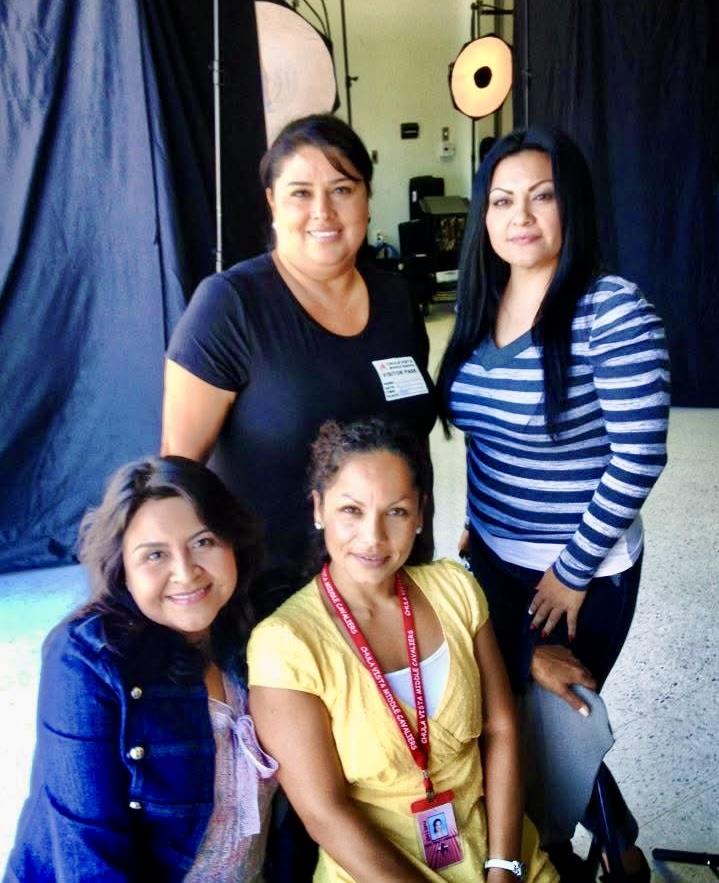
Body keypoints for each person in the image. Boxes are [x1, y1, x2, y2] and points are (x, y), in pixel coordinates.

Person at [437, 127, 670, 880]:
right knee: (506, 713)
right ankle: (616, 843)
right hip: (492, 560)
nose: (520, 216)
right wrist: (476, 526)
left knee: (549, 723)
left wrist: (569, 571)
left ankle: (570, 853)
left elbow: (639, 455)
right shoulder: (478, 308)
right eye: (501, 200)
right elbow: (484, 438)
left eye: (542, 196)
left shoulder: (611, 309)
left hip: (581, 575)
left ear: (572, 206)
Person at [247, 418, 558, 882]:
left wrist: (503, 867)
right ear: (318, 509)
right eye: (351, 510)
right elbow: (325, 815)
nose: (373, 537)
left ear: (420, 515)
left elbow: (501, 728)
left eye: (395, 512)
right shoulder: (286, 643)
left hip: (500, 854)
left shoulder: (455, 588)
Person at [162, 113, 436, 618]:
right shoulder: (229, 305)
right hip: (277, 598)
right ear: (271, 202)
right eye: (300, 193)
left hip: (392, 579)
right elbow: (177, 471)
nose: (323, 212)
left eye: (342, 189)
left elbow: (413, 441)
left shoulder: (396, 299)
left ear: (367, 198)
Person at [5, 456, 277, 882]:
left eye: (204, 542)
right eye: (155, 555)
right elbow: (88, 859)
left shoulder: (259, 630)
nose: (186, 573)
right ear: (123, 571)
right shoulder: (86, 659)